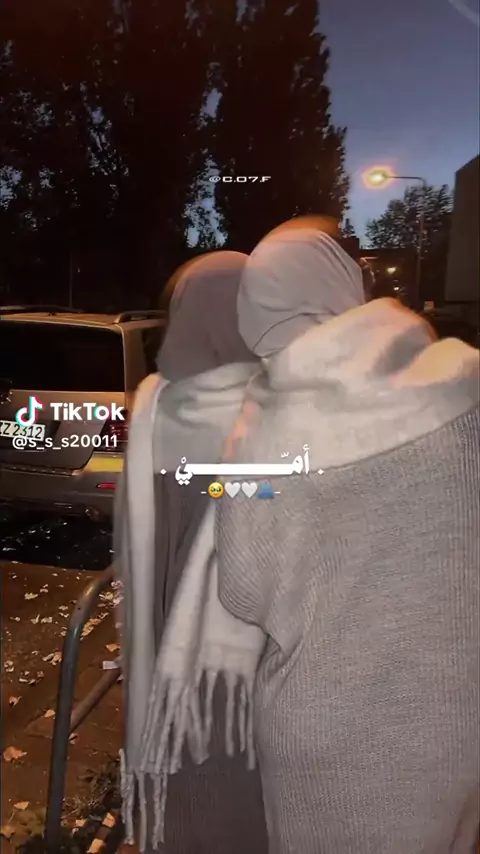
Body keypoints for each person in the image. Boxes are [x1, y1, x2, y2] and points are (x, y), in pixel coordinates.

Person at [215, 221, 480, 854]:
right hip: (458, 711)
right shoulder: (465, 383)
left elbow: (242, 589)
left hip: (327, 726)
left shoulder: (260, 435)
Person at [115, 250, 267, 853]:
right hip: (246, 649)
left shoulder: (155, 403)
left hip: (163, 626)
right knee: (239, 776)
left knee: (182, 776)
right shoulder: (274, 411)